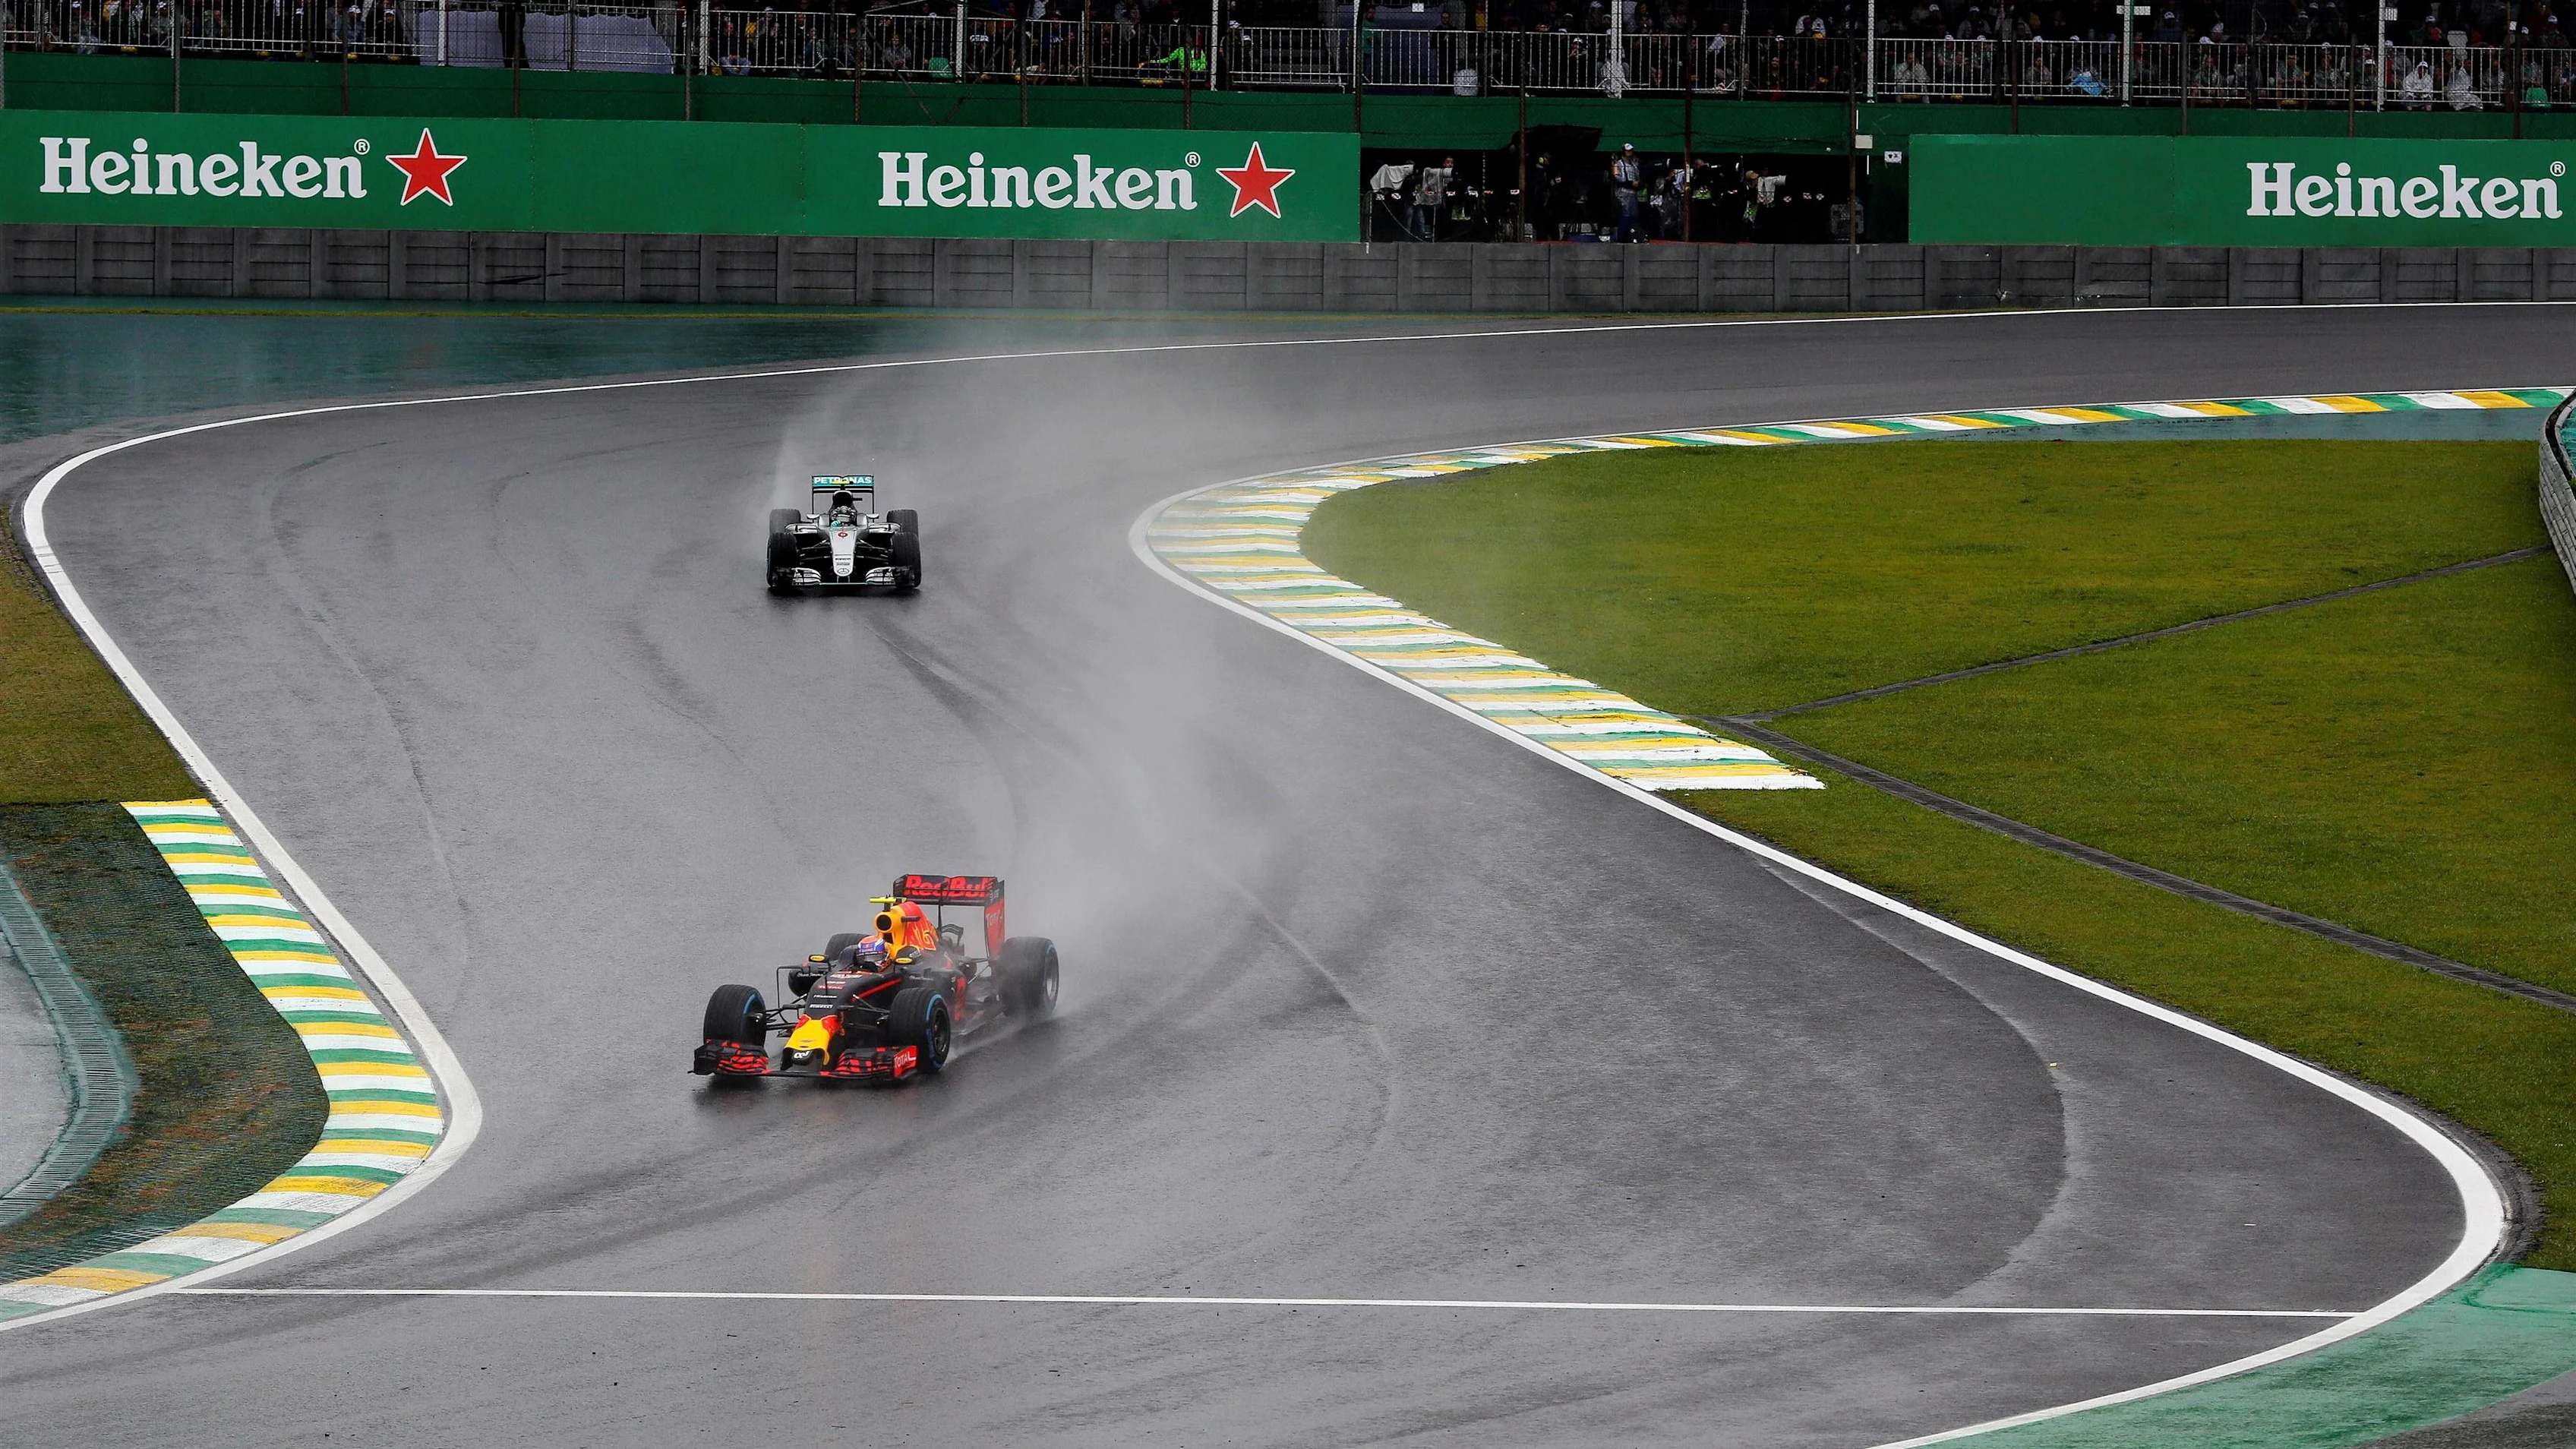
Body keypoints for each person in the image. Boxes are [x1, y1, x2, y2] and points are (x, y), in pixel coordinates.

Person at [1413, 156, 1453, 241]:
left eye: (1451, 163)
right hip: (1433, 203)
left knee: (1445, 219)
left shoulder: (1453, 176)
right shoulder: (1435, 174)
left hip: (1447, 204)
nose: (1450, 165)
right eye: (1448, 162)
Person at [1610, 142, 1643, 242]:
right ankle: (1622, 238)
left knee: (1633, 217)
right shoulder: (1618, 164)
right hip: (1622, 194)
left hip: (1633, 194)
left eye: (1631, 150)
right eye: (1628, 150)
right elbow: (1616, 177)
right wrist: (1629, 183)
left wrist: (1639, 184)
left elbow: (1638, 176)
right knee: (1624, 217)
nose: (1630, 152)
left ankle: (1632, 237)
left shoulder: (1634, 165)